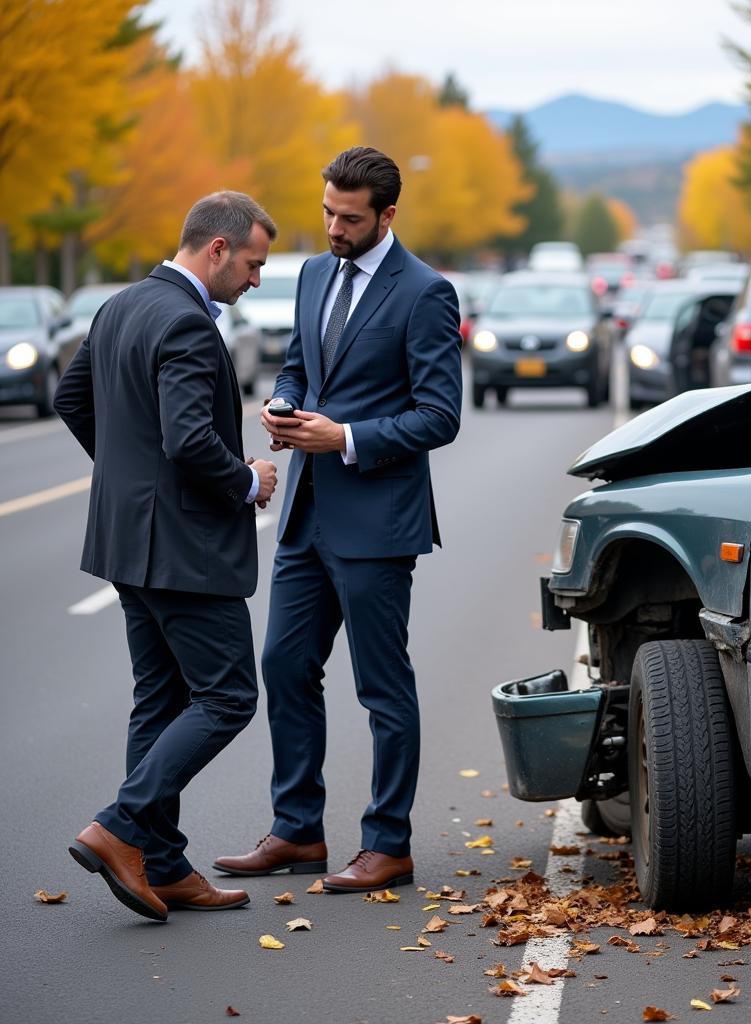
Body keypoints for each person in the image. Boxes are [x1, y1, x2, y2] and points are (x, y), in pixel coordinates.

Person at [213, 147, 462, 893]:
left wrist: (346, 438)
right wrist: (283, 403)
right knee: (285, 666)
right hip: (308, 514)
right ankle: (296, 832)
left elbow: (440, 415)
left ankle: (388, 844)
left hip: (379, 520)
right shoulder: (316, 274)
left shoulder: (426, 293)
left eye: (349, 218)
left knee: (382, 687)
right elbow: (301, 365)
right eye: (327, 212)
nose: (333, 228)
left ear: (387, 215)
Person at [55, 192, 279, 921]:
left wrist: (131, 484)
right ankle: (121, 828)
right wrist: (248, 480)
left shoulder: (120, 306)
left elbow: (71, 398)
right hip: (184, 548)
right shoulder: (184, 320)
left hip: (128, 540)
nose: (255, 280)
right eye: (251, 264)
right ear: (216, 249)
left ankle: (166, 862)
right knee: (228, 696)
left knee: (161, 698)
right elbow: (186, 440)